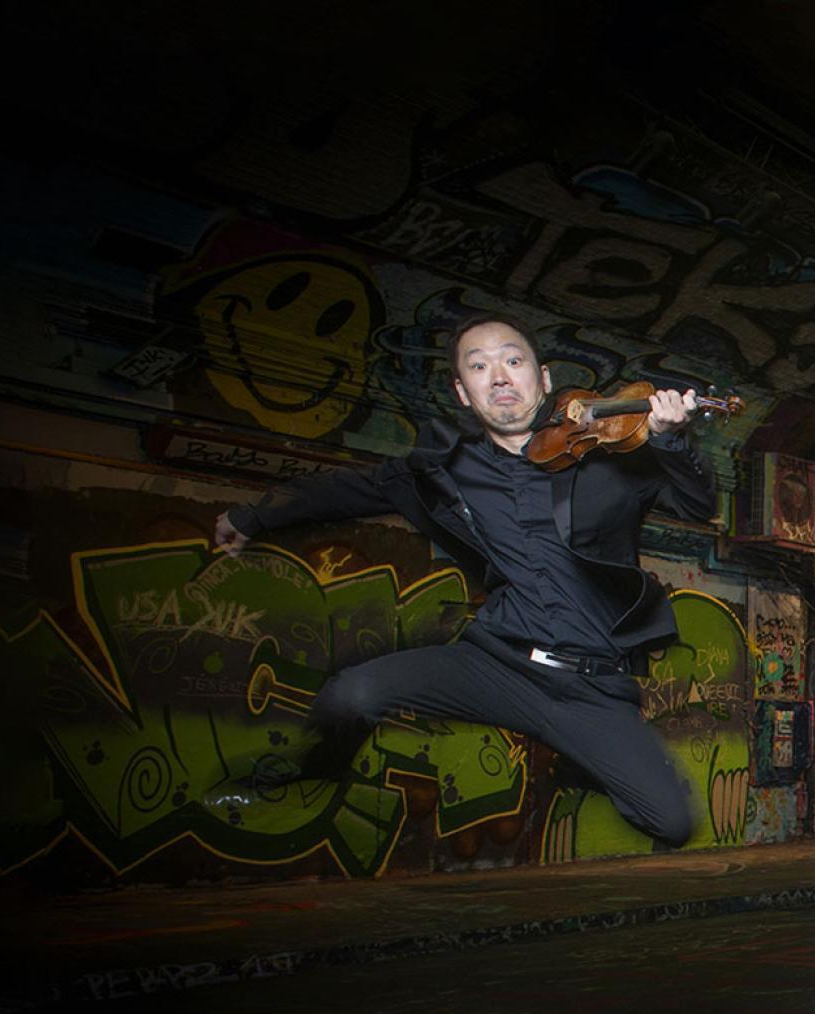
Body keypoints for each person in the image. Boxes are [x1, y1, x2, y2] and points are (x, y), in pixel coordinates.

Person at [208, 313, 714, 846]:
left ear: (542, 380)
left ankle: (584, 763)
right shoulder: (444, 469)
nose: (498, 376)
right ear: (462, 391)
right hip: (497, 665)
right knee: (350, 695)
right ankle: (312, 773)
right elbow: (346, 489)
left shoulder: (611, 460)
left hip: (591, 687)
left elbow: (699, 504)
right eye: (479, 366)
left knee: (672, 824)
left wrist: (670, 440)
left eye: (512, 361)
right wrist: (254, 516)